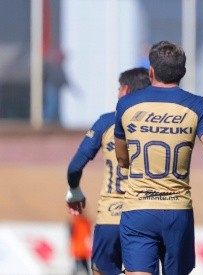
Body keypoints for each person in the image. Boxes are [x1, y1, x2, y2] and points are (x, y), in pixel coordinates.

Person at [114, 40, 203, 275]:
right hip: (177, 211)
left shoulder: (126, 104)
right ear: (182, 72)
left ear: (151, 70)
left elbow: (121, 158)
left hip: (138, 209)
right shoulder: (197, 105)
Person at [65, 67, 151, 275]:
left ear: (125, 90)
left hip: (111, 217)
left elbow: (75, 166)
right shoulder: (156, 123)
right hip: (144, 214)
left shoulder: (107, 122)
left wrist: (74, 190)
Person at [43, 47, 68, 125]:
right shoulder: (54, 66)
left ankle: (56, 122)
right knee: (51, 105)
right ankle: (46, 121)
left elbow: (65, 79)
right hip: (52, 88)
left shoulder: (58, 67)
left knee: (55, 105)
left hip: (55, 88)